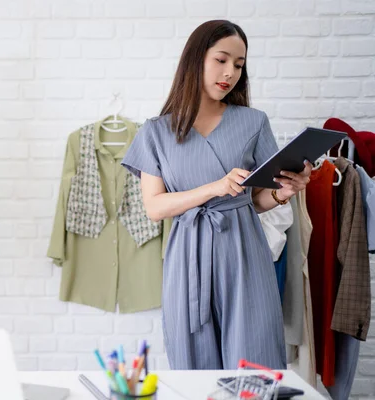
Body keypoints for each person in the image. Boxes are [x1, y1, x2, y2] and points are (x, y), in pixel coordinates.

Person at [121, 20, 312, 369]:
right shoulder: (156, 132)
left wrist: (284, 193)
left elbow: (256, 201)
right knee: (195, 366)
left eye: (239, 65)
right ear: (196, 59)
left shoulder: (253, 122)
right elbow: (154, 207)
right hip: (187, 256)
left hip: (244, 254)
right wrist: (214, 187)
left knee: (254, 364)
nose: (230, 73)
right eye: (221, 60)